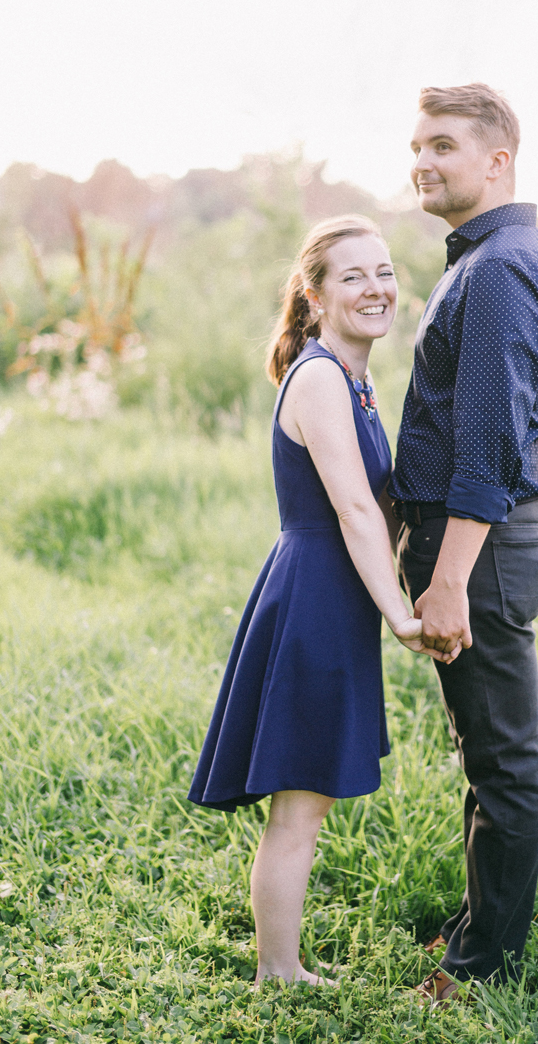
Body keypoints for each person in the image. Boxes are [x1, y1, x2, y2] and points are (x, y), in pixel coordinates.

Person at [188, 214, 457, 988]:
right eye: (352, 276)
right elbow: (357, 511)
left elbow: (385, 503)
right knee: (299, 808)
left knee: (308, 802)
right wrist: (402, 615)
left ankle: (282, 963)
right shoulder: (317, 377)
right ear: (313, 296)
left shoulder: (354, 377)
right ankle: (278, 973)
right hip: (314, 599)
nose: (376, 288)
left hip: (328, 596)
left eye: (384, 272)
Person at [389, 84, 538, 1002]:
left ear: (497, 159)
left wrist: (448, 575)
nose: (423, 160)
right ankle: (475, 923)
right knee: (482, 751)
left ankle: (485, 968)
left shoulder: (496, 268)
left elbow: (491, 440)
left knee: (504, 763)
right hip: (476, 548)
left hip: (483, 551)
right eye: (417, 145)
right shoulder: (482, 258)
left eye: (444, 146)